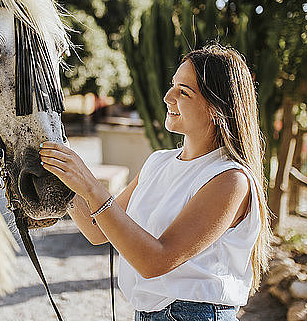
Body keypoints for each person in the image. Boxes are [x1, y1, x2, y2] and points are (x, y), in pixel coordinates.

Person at [39, 44, 272, 321]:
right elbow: (96, 229)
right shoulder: (158, 162)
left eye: (184, 92)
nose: (167, 96)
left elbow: (155, 261)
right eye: (172, 85)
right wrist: (59, 175)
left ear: (217, 107)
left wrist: (91, 186)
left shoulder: (230, 180)